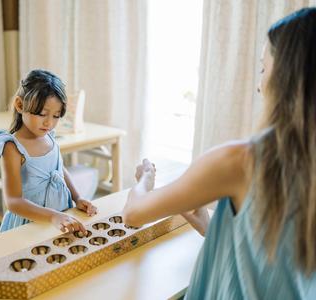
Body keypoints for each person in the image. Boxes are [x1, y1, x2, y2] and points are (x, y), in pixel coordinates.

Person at [123, 7, 316, 299]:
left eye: (264, 69)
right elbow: (276, 259)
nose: (258, 85)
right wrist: (206, 223)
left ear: (286, 78)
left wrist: (145, 181)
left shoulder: (241, 161)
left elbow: (133, 214)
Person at [0, 69, 97, 234]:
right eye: (42, 114)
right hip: (29, 224)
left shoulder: (50, 137)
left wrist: (77, 198)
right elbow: (13, 201)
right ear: (20, 105)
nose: (49, 123)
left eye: (56, 116)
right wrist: (52, 216)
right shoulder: (12, 148)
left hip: (60, 217)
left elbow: (59, 170)